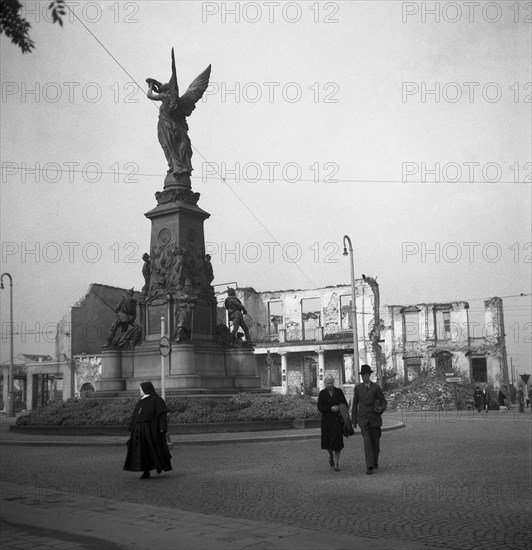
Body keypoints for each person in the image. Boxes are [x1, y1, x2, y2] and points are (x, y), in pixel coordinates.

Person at [146, 49, 211, 185]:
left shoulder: (164, 97)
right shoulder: (178, 102)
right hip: (179, 129)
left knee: (169, 147)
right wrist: (157, 83)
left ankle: (175, 167)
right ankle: (179, 167)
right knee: (179, 148)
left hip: (166, 127)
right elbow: (193, 89)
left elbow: (150, 95)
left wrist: (151, 86)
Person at [124, 381, 172, 479]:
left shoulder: (157, 400)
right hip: (139, 431)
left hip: (151, 430)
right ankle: (145, 470)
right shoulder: (141, 401)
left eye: (141, 389)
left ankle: (159, 465)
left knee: (154, 449)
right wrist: (133, 428)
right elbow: (136, 416)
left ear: (146, 389)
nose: (140, 391)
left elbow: (162, 415)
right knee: (142, 451)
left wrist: (163, 427)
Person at [351, 364, 387, 475]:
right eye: (362, 375)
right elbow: (355, 404)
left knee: (375, 443)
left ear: (369, 375)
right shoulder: (358, 388)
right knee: (367, 442)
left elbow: (384, 401)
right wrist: (354, 420)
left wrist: (380, 409)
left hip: (374, 418)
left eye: (366, 375)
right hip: (363, 419)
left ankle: (375, 461)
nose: (364, 377)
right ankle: (369, 466)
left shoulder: (376, 387)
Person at [317, 375, 348, 471]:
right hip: (326, 421)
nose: (329, 385)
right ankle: (331, 455)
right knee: (328, 443)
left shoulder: (339, 392)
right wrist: (330, 408)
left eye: (331, 383)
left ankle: (336, 463)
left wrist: (339, 407)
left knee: (338, 442)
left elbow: (345, 404)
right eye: (328, 383)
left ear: (333, 382)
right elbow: (320, 407)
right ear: (325, 384)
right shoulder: (322, 393)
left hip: (337, 420)